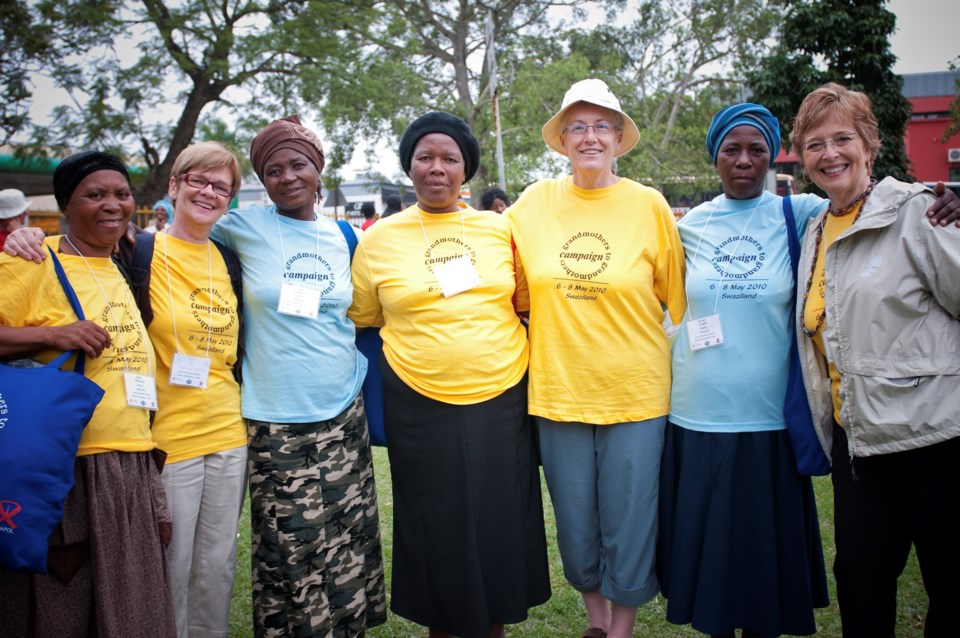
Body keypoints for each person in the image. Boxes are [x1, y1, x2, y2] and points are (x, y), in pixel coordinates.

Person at [349, 111, 550, 638]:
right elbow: (365, 317)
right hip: (417, 401)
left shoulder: (500, 229)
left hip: (501, 396)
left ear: (467, 171)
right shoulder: (377, 239)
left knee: (498, 521)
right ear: (409, 166)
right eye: (425, 157)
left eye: (449, 159)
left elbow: (525, 301)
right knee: (436, 527)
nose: (436, 168)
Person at [506, 78, 686, 638]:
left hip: (636, 392)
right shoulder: (533, 203)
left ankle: (623, 630)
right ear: (561, 139)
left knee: (630, 520)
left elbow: (674, 296)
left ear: (617, 138)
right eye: (578, 127)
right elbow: (511, 284)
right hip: (559, 391)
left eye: (602, 126)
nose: (590, 137)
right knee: (577, 523)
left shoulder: (648, 205)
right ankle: (596, 623)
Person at [791, 83, 960, 637]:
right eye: (815, 144)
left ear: (870, 144)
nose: (829, 153)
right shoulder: (817, 229)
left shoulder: (919, 214)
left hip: (934, 439)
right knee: (861, 588)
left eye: (843, 138)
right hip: (857, 445)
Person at [657, 103, 831, 638]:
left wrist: (939, 199)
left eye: (757, 150)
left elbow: (866, 199)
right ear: (715, 157)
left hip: (770, 418)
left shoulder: (798, 213)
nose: (744, 161)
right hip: (697, 414)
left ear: (772, 156)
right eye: (732, 149)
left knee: (762, 563)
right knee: (712, 564)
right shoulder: (689, 226)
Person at [211, 115, 385, 637]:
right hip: (273, 416)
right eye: (273, 169)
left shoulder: (346, 236)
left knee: (348, 539)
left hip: (341, 410)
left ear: (318, 169)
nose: (287, 177)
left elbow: (362, 317)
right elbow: (172, 244)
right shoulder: (238, 228)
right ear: (261, 180)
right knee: (290, 545)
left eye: (298, 165)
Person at [0, 151, 176, 637]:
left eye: (120, 194)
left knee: (130, 608)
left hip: (132, 457)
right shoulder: (33, 259)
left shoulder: (121, 261)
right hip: (69, 464)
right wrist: (55, 334)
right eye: (94, 195)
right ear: (65, 205)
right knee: (64, 605)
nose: (112, 205)